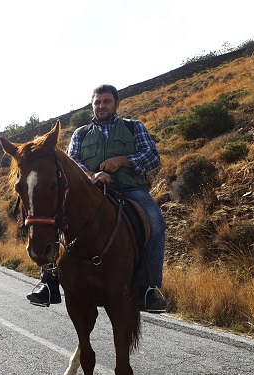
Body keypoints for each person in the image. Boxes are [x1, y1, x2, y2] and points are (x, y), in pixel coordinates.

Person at [27, 84, 167, 313]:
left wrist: (122, 160)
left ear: (116, 104)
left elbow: (152, 156)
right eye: (97, 102)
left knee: (156, 222)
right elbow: (71, 163)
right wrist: (92, 174)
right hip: (90, 190)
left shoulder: (133, 128)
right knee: (56, 217)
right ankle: (48, 282)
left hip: (130, 189)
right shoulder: (80, 133)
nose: (101, 106)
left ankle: (149, 289)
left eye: (106, 101)